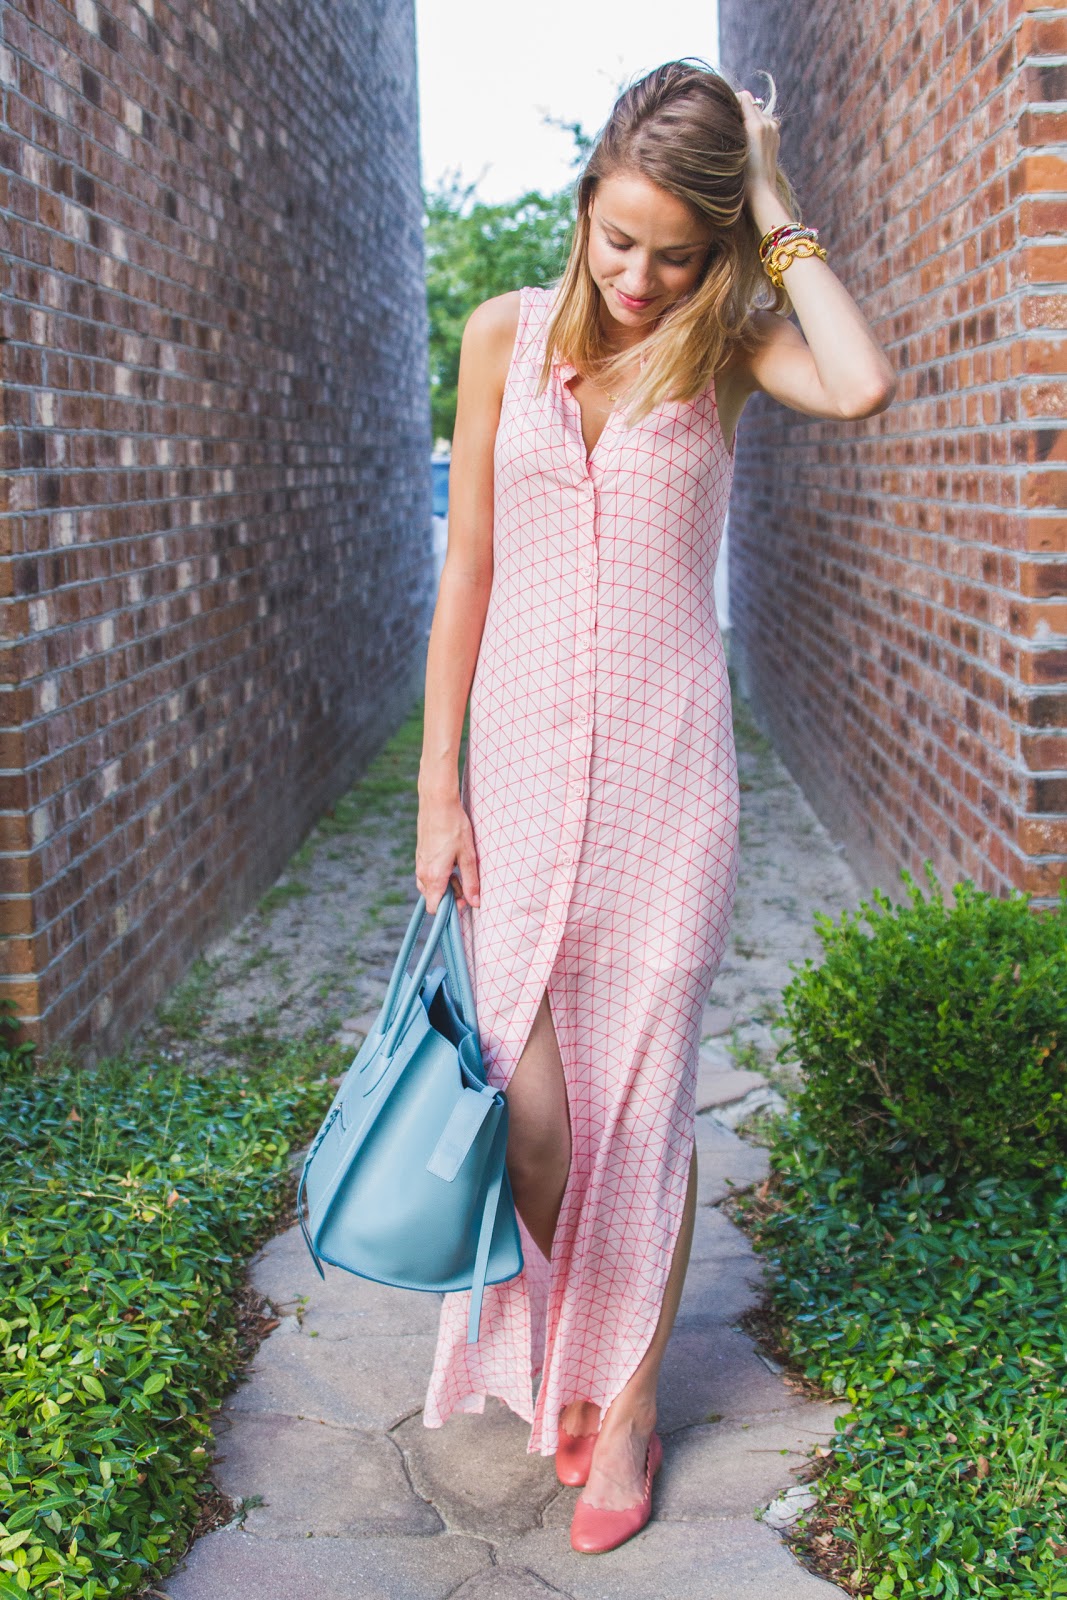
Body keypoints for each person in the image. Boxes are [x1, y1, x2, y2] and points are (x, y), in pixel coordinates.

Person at [415, 58, 896, 1554]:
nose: (639, 277)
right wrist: (435, 788)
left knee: (644, 1107)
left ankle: (624, 1405)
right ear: (583, 209)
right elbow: (467, 571)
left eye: (677, 254)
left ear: (717, 250)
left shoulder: (728, 346)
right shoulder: (502, 337)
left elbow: (863, 382)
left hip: (666, 784)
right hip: (517, 777)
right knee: (538, 1119)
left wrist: (775, 203)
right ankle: (573, 1333)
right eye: (619, 239)